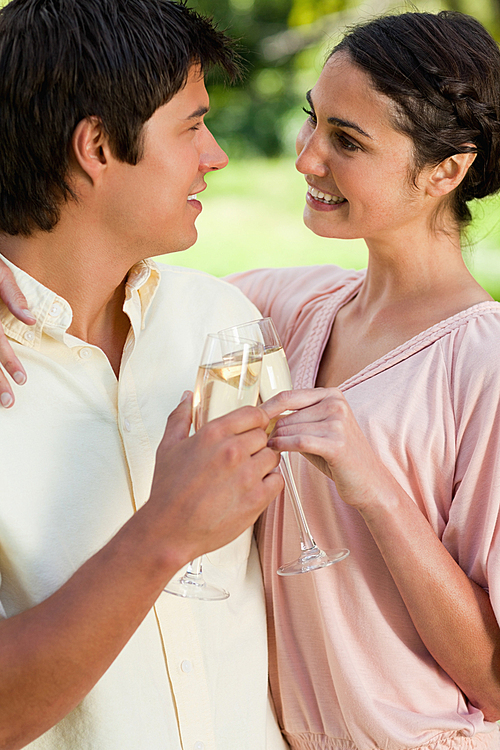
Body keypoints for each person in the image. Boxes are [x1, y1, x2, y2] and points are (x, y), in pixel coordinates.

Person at [0, 0, 287, 748]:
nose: (217, 154)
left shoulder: (222, 323)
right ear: (96, 145)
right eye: (192, 126)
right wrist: (165, 532)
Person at [228, 10, 500, 750]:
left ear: (447, 170)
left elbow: (496, 681)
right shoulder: (286, 307)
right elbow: (111, 297)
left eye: (347, 141)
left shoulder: (484, 364)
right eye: (313, 122)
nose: (307, 158)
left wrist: (372, 482)